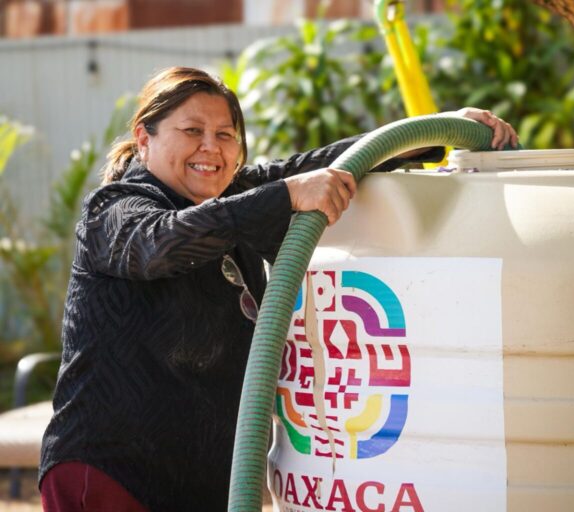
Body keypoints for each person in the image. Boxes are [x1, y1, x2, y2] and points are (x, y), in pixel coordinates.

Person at [38, 66, 517, 512]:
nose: (211, 147)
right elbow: (159, 243)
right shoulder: (117, 207)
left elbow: (327, 163)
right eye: (192, 131)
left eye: (225, 135)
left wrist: (433, 132)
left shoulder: (234, 198)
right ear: (144, 138)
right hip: (112, 473)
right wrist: (288, 195)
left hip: (199, 480)